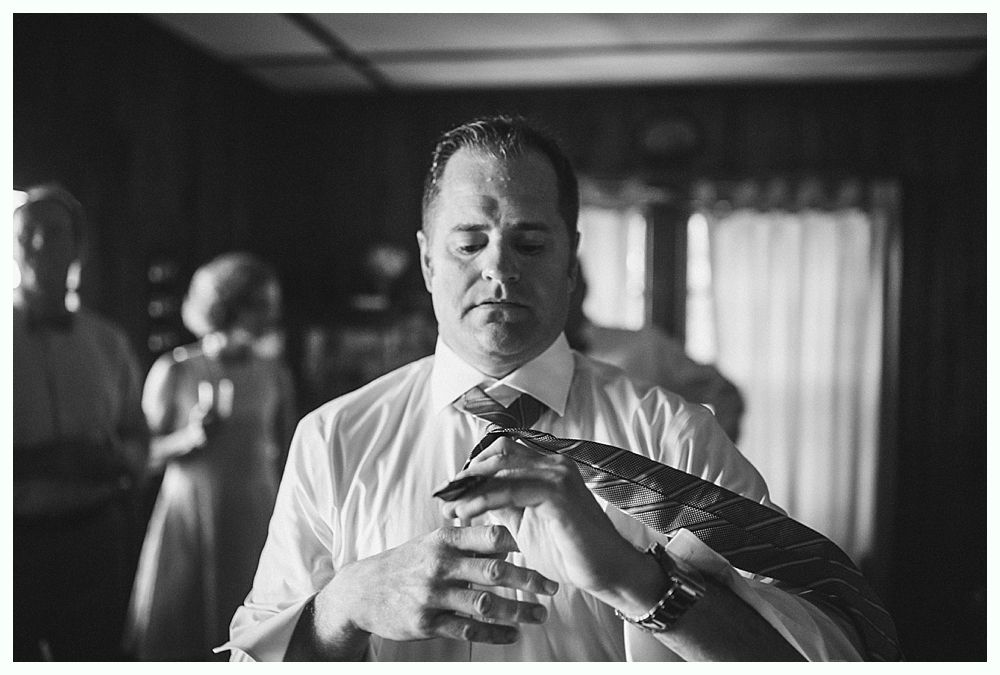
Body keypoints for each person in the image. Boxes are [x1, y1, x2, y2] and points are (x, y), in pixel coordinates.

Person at [224, 116, 881, 661]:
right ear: (427, 261)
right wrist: (342, 605)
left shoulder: (676, 437)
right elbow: (252, 657)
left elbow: (819, 656)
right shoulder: (334, 438)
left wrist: (637, 582)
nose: (499, 270)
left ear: (572, 259)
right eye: (468, 243)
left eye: (530, 243)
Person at [125, 252, 298, 660]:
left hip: (256, 511)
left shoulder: (274, 373)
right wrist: (188, 438)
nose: (270, 314)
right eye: (260, 303)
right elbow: (140, 454)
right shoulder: (176, 370)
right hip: (191, 514)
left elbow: (290, 450)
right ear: (229, 306)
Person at [13, 184, 149, 660]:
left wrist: (118, 461)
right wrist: (35, 462)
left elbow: (136, 431)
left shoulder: (108, 342)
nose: (39, 243)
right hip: (16, 537)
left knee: (96, 656)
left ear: (79, 248)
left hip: (96, 534)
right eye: (27, 232)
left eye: (54, 232)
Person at [565, 270, 745, 442]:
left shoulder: (645, 347)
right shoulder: (537, 366)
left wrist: (701, 461)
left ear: (580, 288)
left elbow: (725, 395)